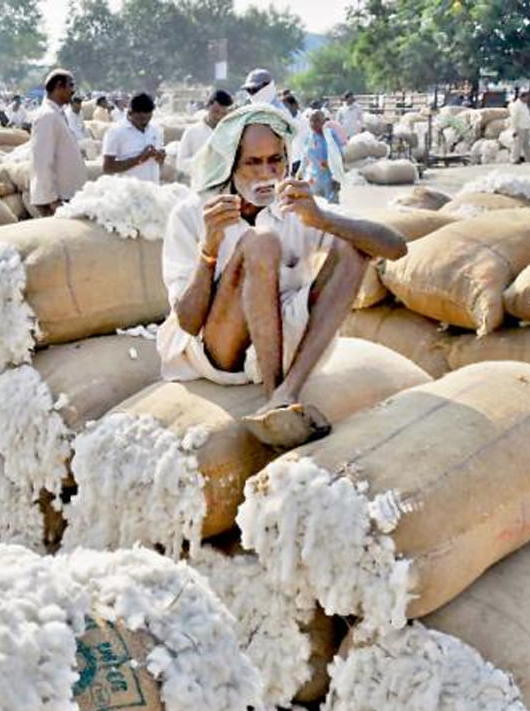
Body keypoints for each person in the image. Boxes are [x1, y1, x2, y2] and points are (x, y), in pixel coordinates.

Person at [159, 104, 406, 448]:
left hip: (286, 337)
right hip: (219, 350)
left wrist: (323, 221)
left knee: (353, 246)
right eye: (253, 162)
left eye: (274, 160)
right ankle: (273, 394)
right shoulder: (193, 213)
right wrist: (209, 251)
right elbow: (187, 322)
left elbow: (396, 248)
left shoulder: (297, 206)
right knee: (261, 243)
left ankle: (288, 391)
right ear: (230, 163)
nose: (266, 173)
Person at [30, 69, 86, 216]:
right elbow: (42, 161)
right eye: (71, 86)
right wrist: (52, 199)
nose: (73, 91)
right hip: (56, 200)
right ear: (59, 86)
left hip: (65, 195)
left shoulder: (57, 114)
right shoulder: (46, 116)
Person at [102, 92, 165, 183]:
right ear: (130, 112)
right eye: (139, 115)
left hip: (152, 190)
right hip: (129, 192)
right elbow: (107, 168)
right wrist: (139, 159)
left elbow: (158, 164)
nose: (144, 117)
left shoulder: (155, 131)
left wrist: (160, 158)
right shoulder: (116, 132)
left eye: (147, 114)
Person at [177, 89, 234, 184]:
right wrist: (202, 162)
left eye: (223, 114)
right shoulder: (192, 131)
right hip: (200, 188)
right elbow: (180, 163)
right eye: (216, 111)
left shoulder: (232, 133)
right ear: (208, 106)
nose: (219, 117)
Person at [300, 110, 346, 204]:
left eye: (317, 120)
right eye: (311, 121)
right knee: (314, 207)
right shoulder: (309, 138)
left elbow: (338, 157)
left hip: (330, 179)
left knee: (332, 209)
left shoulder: (331, 136)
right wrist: (300, 174)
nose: (313, 124)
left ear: (323, 121)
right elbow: (305, 158)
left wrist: (338, 178)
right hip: (313, 179)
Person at [509, 90, 530, 164]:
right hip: (519, 127)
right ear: (522, 97)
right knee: (517, 144)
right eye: (526, 97)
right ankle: (514, 159)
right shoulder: (517, 106)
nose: (528, 99)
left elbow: (527, 117)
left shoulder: (524, 105)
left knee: (526, 144)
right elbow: (514, 118)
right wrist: (514, 129)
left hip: (525, 127)